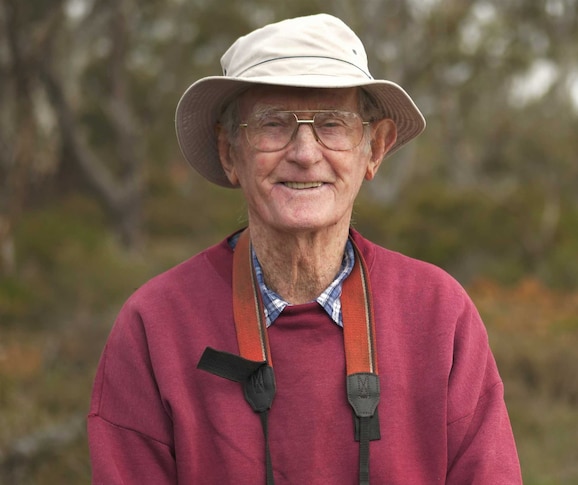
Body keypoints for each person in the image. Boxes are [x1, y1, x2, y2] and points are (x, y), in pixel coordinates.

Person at [87, 13, 522, 485]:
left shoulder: (439, 314)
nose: (305, 152)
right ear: (230, 151)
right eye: (273, 124)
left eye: (333, 124)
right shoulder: (155, 326)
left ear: (374, 149)